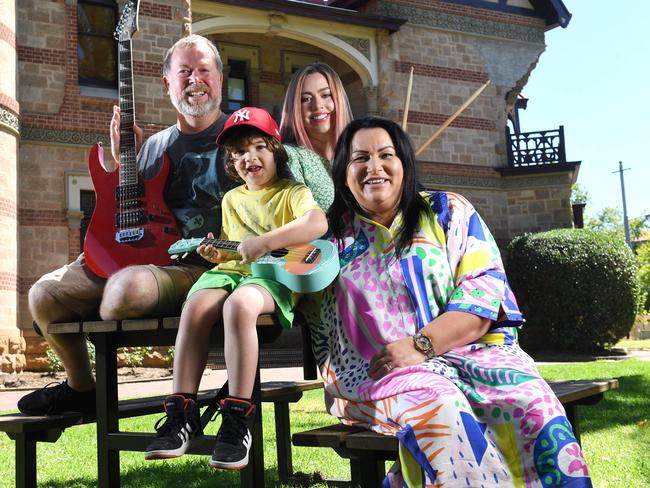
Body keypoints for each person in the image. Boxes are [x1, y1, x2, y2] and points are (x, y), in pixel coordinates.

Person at [316, 116, 592, 486]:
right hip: (377, 373)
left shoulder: (448, 212)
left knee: (534, 404)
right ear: (344, 172)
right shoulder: (329, 241)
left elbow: (484, 294)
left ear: (405, 164)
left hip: (474, 355)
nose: (374, 167)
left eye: (386, 155)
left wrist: (420, 345)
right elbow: (281, 283)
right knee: (441, 405)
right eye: (359, 158)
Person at [18, 35, 230, 416]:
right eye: (185, 72)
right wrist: (121, 161)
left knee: (122, 290)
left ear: (219, 78)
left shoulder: (240, 139)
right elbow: (133, 206)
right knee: (42, 296)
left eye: (204, 70)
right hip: (138, 257)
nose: (195, 80)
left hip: (195, 265)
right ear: (167, 84)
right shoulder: (155, 146)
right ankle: (81, 388)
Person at [144, 107, 328, 470]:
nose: (249, 158)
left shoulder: (292, 192)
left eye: (258, 147)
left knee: (239, 306)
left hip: (271, 277)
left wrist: (265, 241)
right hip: (234, 270)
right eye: (239, 153)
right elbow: (234, 251)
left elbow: (316, 223)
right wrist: (216, 252)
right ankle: (181, 414)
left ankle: (237, 419)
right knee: (195, 305)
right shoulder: (231, 199)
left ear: (275, 151)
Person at [280, 62, 352, 211]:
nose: (317, 105)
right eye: (306, 99)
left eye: (326, 95)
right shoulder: (289, 156)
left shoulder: (356, 155)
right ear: (294, 108)